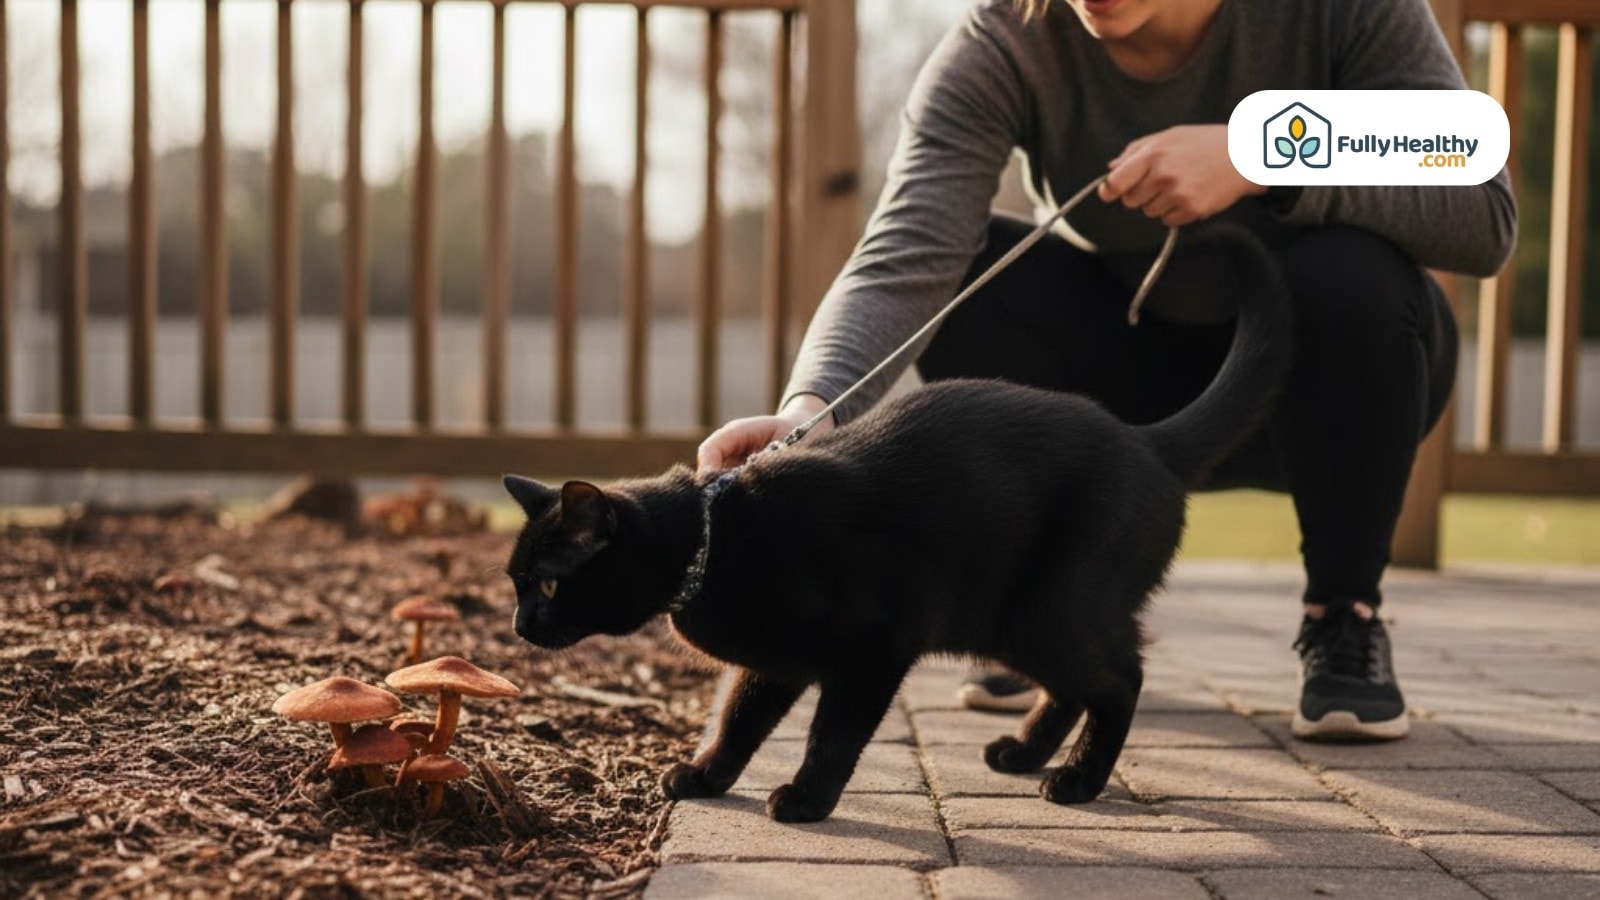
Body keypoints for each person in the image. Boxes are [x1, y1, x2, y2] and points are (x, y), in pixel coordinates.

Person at [696, 0, 1515, 740]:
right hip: (1119, 411)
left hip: (1329, 380)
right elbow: (906, 252)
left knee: (1349, 269)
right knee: (976, 268)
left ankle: (1344, 614)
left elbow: (1484, 212)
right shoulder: (1005, 39)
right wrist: (811, 417)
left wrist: (1265, 152)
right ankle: (1038, 617)